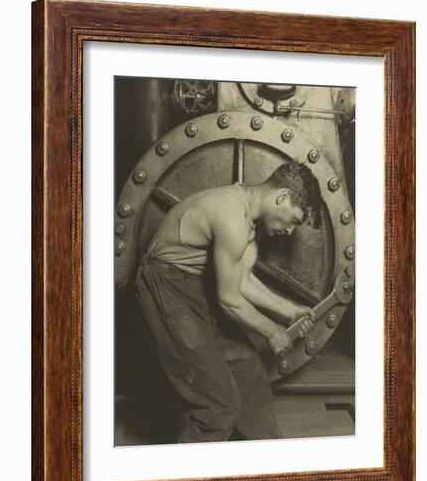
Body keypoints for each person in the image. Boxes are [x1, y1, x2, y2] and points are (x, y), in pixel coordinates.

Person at [134, 161, 323, 443]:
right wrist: (272, 330)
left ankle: (270, 460)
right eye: (295, 220)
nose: (291, 231)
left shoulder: (248, 219)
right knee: (219, 404)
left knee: (247, 367)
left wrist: (289, 310)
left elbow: (241, 280)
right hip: (164, 286)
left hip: (193, 285)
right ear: (282, 197)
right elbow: (228, 298)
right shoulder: (231, 216)